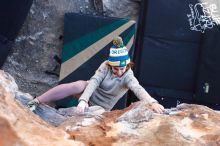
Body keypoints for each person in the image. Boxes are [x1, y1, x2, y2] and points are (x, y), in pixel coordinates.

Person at [27, 37, 165, 113]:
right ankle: (36, 101)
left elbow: (138, 89)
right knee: (78, 85)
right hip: (88, 94)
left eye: (122, 68)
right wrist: (83, 100)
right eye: (116, 69)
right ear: (111, 65)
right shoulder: (105, 65)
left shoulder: (128, 76)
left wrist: (152, 102)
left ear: (127, 65)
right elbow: (94, 81)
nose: (119, 72)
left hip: (101, 108)